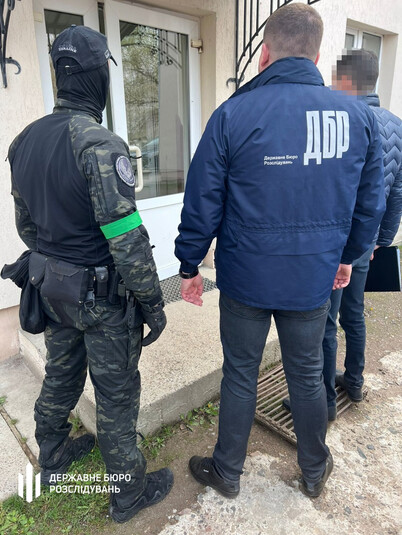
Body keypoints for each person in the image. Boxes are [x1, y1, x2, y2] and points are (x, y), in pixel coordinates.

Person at [174, 3, 385, 499]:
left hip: (245, 277)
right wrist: (348, 257)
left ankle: (227, 471)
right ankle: (313, 470)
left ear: (265, 53)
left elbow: (202, 198)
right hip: (312, 277)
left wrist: (188, 264)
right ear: (318, 56)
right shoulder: (358, 117)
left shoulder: (232, 113)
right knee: (307, 374)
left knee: (240, 374)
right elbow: (370, 202)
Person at [7, 25, 172, 523]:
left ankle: (54, 456)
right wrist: (153, 303)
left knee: (61, 374)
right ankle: (128, 494)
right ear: (98, 77)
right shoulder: (100, 144)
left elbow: (27, 227)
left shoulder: (23, 141)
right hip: (102, 301)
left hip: (52, 288)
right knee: (116, 394)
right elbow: (126, 239)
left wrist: (59, 256)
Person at [321, 49, 402, 412]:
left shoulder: (343, 121)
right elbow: (396, 192)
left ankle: (324, 399)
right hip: (366, 244)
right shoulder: (396, 125)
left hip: (337, 245)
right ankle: (353, 382)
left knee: (327, 322)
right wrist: (382, 241)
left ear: (344, 80)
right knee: (354, 314)